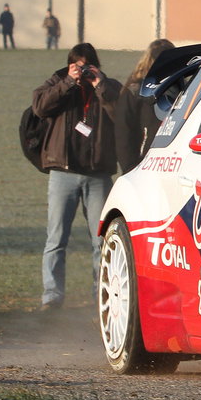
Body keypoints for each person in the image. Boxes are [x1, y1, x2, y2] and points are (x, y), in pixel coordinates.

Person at [32, 42, 122, 310]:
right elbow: (39, 107)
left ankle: (101, 293)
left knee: (101, 240)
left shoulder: (108, 86)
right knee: (56, 237)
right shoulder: (57, 82)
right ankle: (52, 294)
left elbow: (121, 115)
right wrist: (67, 83)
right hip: (63, 172)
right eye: (77, 65)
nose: (82, 71)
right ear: (70, 64)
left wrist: (99, 85)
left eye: (87, 65)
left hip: (98, 175)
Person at [115, 39, 176, 173]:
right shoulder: (135, 90)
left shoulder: (181, 87)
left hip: (172, 164)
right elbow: (123, 130)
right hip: (142, 164)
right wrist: (129, 167)